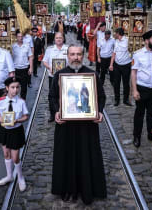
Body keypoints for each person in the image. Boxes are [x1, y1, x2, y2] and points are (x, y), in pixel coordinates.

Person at [49, 44, 106, 205]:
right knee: (66, 156)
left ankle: (88, 190)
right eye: (72, 54)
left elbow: (101, 97)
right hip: (65, 126)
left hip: (87, 126)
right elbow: (52, 97)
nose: (75, 57)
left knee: (86, 155)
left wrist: (99, 112)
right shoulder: (59, 75)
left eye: (79, 54)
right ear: (67, 56)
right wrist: (55, 112)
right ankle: (67, 189)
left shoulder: (92, 74)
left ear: (84, 55)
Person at [0, 77, 29, 191]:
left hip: (15, 131)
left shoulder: (21, 102)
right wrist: (1, 120)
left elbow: (25, 116)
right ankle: (9, 176)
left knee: (15, 157)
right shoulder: (1, 102)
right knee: (6, 154)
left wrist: (17, 120)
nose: (15, 90)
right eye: (12, 87)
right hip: (4, 130)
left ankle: (20, 177)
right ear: (7, 88)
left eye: (17, 87)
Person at [131, 30, 152, 148]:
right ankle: (136, 136)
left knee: (151, 114)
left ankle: (151, 133)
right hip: (142, 88)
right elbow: (133, 73)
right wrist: (134, 90)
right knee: (139, 113)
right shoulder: (138, 54)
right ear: (146, 41)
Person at [42, 32, 68, 122]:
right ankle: (53, 114)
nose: (59, 39)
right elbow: (44, 61)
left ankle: (65, 112)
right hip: (52, 76)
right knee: (52, 96)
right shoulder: (49, 49)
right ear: (54, 39)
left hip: (65, 77)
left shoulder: (67, 49)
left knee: (65, 95)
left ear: (63, 39)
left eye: (60, 37)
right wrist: (49, 67)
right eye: (57, 38)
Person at [109, 28, 132, 106]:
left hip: (126, 65)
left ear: (118, 33)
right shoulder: (116, 41)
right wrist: (111, 64)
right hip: (117, 65)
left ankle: (126, 100)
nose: (114, 34)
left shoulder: (128, 40)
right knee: (116, 83)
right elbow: (114, 54)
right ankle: (117, 100)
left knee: (126, 84)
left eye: (115, 33)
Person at [11, 30, 33, 100]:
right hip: (16, 69)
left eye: (21, 36)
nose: (20, 38)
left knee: (24, 88)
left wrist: (31, 68)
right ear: (16, 37)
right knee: (14, 87)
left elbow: (30, 57)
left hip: (24, 69)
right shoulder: (13, 47)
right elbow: (10, 59)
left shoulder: (27, 46)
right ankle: (15, 102)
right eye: (18, 36)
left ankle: (23, 102)